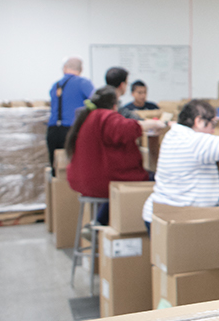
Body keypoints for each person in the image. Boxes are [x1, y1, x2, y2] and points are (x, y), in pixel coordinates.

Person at [142, 99, 219, 230]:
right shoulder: (194, 141)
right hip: (175, 218)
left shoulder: (174, 134)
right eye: (213, 124)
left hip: (162, 214)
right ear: (199, 121)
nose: (213, 130)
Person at [64, 86, 165, 224]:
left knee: (118, 187)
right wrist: (153, 124)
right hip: (100, 180)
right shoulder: (106, 117)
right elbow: (126, 129)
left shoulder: (88, 117)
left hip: (82, 178)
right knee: (157, 181)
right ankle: (135, 226)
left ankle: (99, 222)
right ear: (114, 104)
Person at [47, 57, 95, 170]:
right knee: (74, 168)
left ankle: (56, 187)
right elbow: (96, 102)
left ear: (64, 68)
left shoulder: (56, 85)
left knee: (57, 169)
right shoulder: (83, 83)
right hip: (71, 131)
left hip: (53, 131)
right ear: (81, 69)